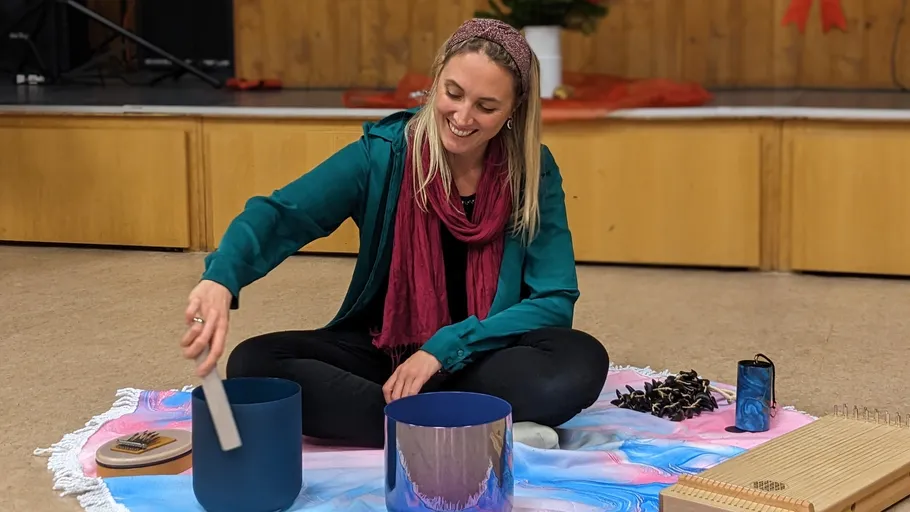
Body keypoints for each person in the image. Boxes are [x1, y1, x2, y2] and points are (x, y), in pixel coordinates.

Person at [180, 18, 610, 449]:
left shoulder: (534, 171)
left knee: (580, 361)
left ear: (514, 109)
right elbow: (283, 214)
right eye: (453, 93)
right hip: (385, 354)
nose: (462, 117)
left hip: (485, 352)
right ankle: (467, 420)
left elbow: (554, 299)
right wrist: (221, 277)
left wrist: (444, 347)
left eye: (486, 106)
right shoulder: (381, 155)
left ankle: (411, 420)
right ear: (436, 80)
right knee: (254, 362)